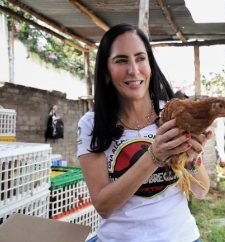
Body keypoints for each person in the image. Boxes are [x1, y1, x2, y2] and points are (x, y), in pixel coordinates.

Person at [77, 23, 210, 242]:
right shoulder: (92, 124)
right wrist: (154, 157)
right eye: (121, 60)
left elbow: (202, 192)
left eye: (140, 58)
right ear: (106, 72)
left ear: (150, 64)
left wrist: (192, 160)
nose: (134, 70)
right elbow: (103, 206)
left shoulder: (173, 113)